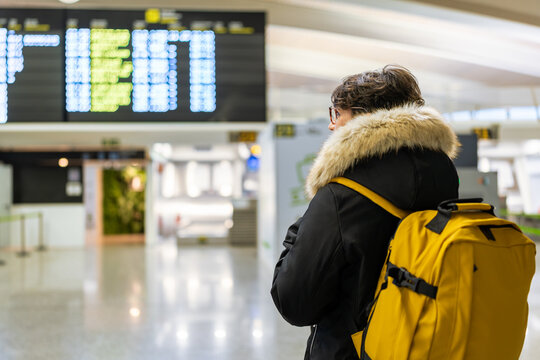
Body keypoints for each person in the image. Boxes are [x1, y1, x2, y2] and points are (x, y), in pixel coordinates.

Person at [270, 65, 460, 360]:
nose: (332, 126)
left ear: (361, 118)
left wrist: (298, 231)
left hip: (356, 350)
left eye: (337, 114)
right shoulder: (443, 180)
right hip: (425, 345)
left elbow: (294, 302)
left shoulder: (339, 196)